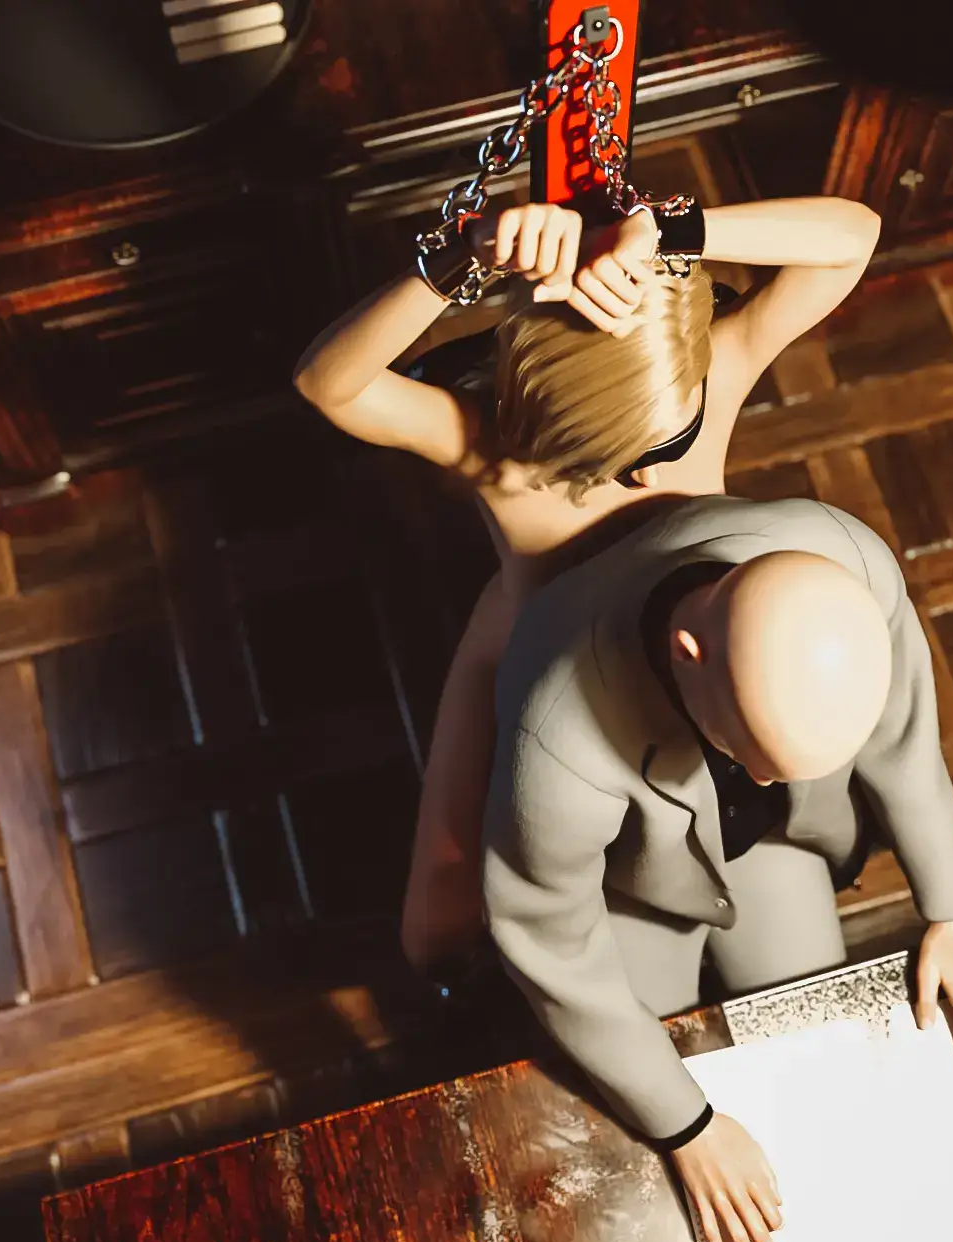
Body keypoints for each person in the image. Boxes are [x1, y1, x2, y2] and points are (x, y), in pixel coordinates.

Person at [293, 192, 888, 977]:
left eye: (670, 445)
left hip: (700, 652)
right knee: (433, 932)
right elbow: (326, 384)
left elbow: (855, 236)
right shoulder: (490, 448)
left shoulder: (719, 369)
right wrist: (465, 256)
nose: (648, 477)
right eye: (613, 459)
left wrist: (671, 229)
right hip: (549, 666)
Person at [482, 493, 953, 1242]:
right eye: (755, 755)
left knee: (812, 1038)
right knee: (647, 1063)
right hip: (628, 889)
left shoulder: (855, 567)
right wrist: (688, 1127)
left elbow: (903, 743)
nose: (768, 778)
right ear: (688, 653)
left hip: (781, 844)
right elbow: (549, 942)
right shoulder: (559, 734)